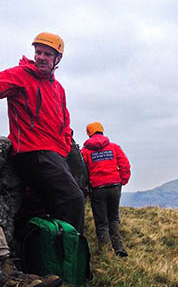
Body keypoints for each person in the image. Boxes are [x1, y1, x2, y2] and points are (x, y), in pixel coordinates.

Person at [0, 32, 85, 233]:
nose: (41, 57)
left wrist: (63, 151)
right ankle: (69, 256)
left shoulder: (58, 88)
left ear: (58, 59)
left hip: (54, 156)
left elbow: (65, 123)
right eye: (38, 52)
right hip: (32, 152)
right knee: (73, 198)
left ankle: (38, 254)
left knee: (41, 207)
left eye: (47, 54)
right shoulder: (19, 75)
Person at [81, 122, 131, 257]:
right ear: (102, 131)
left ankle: (107, 251)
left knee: (101, 221)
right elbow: (125, 165)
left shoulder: (85, 152)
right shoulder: (114, 147)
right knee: (114, 217)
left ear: (89, 133)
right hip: (114, 186)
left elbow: (83, 171)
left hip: (97, 188)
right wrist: (122, 181)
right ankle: (119, 248)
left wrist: (86, 188)